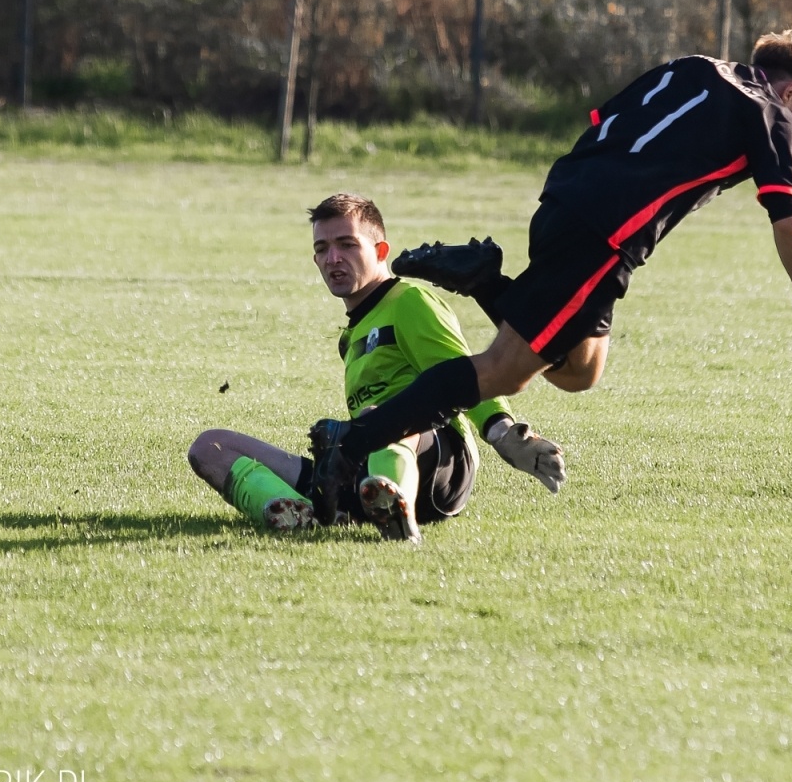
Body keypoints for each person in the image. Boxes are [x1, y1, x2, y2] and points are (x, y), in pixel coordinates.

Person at [318, 18, 792, 476]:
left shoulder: (696, 67)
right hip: (604, 236)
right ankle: (353, 446)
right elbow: (790, 217)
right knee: (503, 370)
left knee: (580, 370)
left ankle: (484, 281)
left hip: (566, 199)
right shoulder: (774, 114)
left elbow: (606, 120)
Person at [186, 193, 566, 542]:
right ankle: (298, 513)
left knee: (378, 417)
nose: (333, 258)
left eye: (347, 244)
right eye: (323, 248)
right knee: (211, 447)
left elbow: (463, 374)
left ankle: (397, 511)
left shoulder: (409, 300)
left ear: (380, 249)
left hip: (440, 465)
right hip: (360, 461)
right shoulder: (351, 336)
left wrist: (501, 431)